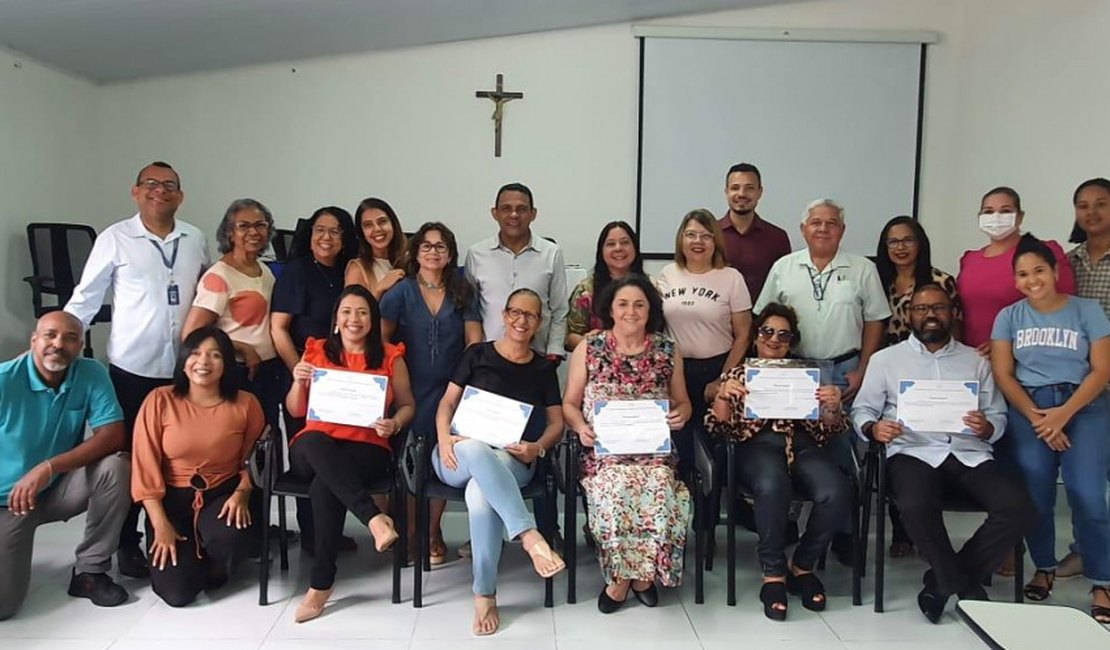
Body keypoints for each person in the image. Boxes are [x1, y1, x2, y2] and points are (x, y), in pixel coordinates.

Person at [853, 285, 1034, 623]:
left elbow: (997, 415)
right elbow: (862, 410)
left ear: (952, 313)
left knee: (1019, 508)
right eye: (921, 309)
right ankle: (960, 583)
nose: (930, 314)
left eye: (938, 307)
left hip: (970, 452)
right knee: (914, 505)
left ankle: (941, 580)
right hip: (912, 451)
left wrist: (987, 427)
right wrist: (874, 429)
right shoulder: (885, 360)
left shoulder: (976, 361)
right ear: (909, 316)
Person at [66, 161, 211, 579]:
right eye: (151, 184)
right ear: (135, 192)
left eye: (169, 186)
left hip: (183, 372)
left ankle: (165, 535)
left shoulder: (194, 237)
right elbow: (85, 299)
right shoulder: (115, 239)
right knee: (129, 459)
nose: (159, 191)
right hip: (132, 370)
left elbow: (209, 293)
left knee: (173, 458)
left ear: (180, 196)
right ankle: (126, 545)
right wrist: (60, 338)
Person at [755, 198, 890, 563]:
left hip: (842, 369)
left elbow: (877, 320)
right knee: (787, 449)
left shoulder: (862, 269)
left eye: (832, 223)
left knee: (840, 451)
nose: (823, 228)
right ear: (803, 229)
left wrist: (864, 367)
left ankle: (842, 533)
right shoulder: (784, 267)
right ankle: (785, 524)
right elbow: (765, 316)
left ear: (842, 231)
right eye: (816, 222)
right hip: (792, 370)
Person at [990, 234, 1110, 623]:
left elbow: (1102, 369)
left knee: (1088, 495)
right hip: (1030, 409)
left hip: (1085, 406)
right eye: (1022, 274)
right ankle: (1044, 566)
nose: (1032, 279)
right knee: (1036, 496)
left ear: (1056, 271)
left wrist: (1064, 414)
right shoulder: (1009, 316)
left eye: (1039, 270)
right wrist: (1041, 417)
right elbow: (1004, 375)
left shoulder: (1087, 310)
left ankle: (1102, 579)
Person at [433, 288, 566, 635]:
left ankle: (484, 592)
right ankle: (528, 535)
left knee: (481, 493)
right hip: (457, 452)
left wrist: (537, 447)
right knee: (476, 449)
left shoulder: (542, 368)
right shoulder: (477, 354)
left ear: (539, 322)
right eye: (516, 313)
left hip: (511, 459)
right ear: (505, 315)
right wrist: (445, 438)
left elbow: (557, 424)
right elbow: (447, 404)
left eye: (531, 315)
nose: (522, 320)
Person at [705, 303, 850, 621]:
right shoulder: (739, 372)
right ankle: (773, 574)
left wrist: (832, 406)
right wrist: (722, 396)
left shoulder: (806, 374)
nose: (774, 339)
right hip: (755, 446)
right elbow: (716, 426)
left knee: (836, 488)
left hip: (803, 447)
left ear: (792, 341)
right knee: (772, 484)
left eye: (783, 334)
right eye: (767, 331)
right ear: (756, 336)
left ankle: (802, 564)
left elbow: (830, 428)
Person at [562, 275, 693, 613]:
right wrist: (580, 428)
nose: (631, 311)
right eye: (623, 304)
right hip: (604, 454)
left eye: (639, 304)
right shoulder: (589, 347)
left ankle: (645, 576)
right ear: (610, 309)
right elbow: (569, 404)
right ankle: (620, 577)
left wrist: (680, 415)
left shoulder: (667, 349)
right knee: (615, 486)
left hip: (654, 453)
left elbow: (683, 401)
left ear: (650, 310)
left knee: (662, 485)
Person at [285, 285, 415, 623]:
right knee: (315, 442)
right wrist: (298, 382)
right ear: (336, 320)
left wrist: (394, 424)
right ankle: (374, 518)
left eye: (362, 312)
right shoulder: (315, 351)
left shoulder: (389, 356)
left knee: (324, 485)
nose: (354, 319)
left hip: (366, 448)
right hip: (311, 447)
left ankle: (320, 585)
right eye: (346, 312)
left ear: (372, 320)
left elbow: (407, 405)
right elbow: (297, 410)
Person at [0, 312, 130, 619]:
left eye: (70, 337)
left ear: (80, 344)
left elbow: (112, 435)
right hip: (7, 503)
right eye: (50, 335)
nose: (59, 344)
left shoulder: (90, 372)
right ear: (34, 340)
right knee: (4, 607)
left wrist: (48, 467)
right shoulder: (5, 380)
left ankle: (90, 571)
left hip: (56, 488)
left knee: (117, 467)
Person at [131, 327, 265, 607]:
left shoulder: (246, 404)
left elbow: (255, 460)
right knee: (177, 594)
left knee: (232, 533)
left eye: (215, 355)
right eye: (195, 354)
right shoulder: (159, 400)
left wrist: (242, 493)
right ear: (183, 360)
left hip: (223, 493)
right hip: (171, 500)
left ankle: (217, 561)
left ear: (227, 364)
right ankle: (191, 559)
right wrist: (160, 524)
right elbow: (144, 467)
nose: (203, 362)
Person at [381, 222, 483, 565]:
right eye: (426, 246)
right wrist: (397, 376)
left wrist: (465, 382)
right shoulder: (401, 291)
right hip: (409, 389)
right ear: (415, 252)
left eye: (441, 247)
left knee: (439, 462)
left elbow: (474, 341)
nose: (433, 252)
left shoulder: (463, 291)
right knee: (411, 462)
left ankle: (432, 531)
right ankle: (410, 532)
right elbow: (380, 341)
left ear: (450, 254)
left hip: (450, 390)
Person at [270, 206, 359, 553]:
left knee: (336, 456)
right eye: (320, 230)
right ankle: (313, 536)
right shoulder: (297, 272)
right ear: (309, 235)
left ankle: (330, 533)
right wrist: (301, 374)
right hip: (304, 381)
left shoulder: (344, 272)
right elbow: (278, 329)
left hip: (340, 384)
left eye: (335, 231)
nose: (326, 237)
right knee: (310, 460)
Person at [873, 215, 961, 557]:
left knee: (930, 445)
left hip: (934, 373)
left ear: (920, 243)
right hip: (889, 372)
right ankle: (902, 530)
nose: (900, 247)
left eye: (907, 240)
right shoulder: (879, 281)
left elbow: (958, 332)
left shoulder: (940, 281)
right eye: (893, 241)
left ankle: (926, 528)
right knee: (899, 444)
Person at [656, 209, 752, 477]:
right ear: (681, 239)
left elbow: (743, 335)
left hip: (716, 371)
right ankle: (682, 512)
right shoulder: (667, 274)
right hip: (675, 373)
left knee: (714, 453)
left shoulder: (731, 278)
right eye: (691, 235)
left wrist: (723, 379)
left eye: (706, 236)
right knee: (680, 448)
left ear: (716, 241)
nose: (698, 242)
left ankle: (708, 518)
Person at [184, 198, 282, 433]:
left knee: (266, 439)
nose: (253, 232)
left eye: (260, 225)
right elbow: (192, 334)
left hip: (267, 370)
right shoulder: (219, 276)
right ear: (229, 233)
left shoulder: (264, 270)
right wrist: (242, 349)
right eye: (243, 226)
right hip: (238, 371)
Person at [1059, 177, 1110, 578]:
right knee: (1086, 485)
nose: (1091, 212)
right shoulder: (1069, 263)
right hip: (1081, 387)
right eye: (1083, 205)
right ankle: (1085, 551)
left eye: (1101, 204)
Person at [958, 186, 1076, 356]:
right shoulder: (970, 259)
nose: (996, 217)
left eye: (1005, 211)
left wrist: (1005, 342)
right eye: (988, 211)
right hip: (974, 361)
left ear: (1020, 217)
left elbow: (1064, 306)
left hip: (1027, 358)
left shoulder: (1042, 252)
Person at [465, 182, 568, 361]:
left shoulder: (551, 253)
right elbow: (470, 311)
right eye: (506, 208)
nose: (514, 215)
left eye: (521, 209)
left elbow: (559, 309)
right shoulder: (476, 254)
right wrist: (475, 353)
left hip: (537, 358)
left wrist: (554, 350)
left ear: (533, 214)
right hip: (489, 359)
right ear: (494, 213)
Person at [565, 220, 646, 351]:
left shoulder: (650, 287)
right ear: (601, 251)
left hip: (642, 363)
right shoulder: (586, 290)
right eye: (611, 244)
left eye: (625, 242)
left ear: (635, 248)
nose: (618, 248)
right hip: (597, 365)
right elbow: (569, 337)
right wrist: (595, 343)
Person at [717, 162, 792, 300]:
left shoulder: (777, 238)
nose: (741, 194)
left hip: (762, 318)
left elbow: (785, 285)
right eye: (735, 188)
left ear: (760, 192)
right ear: (726, 192)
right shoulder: (710, 234)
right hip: (716, 318)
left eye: (749, 188)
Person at [345, 197, 407, 300]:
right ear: (362, 233)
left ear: (393, 224)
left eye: (382, 222)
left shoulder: (413, 259)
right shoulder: (358, 269)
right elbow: (353, 313)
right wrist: (379, 288)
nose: (377, 229)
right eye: (368, 225)